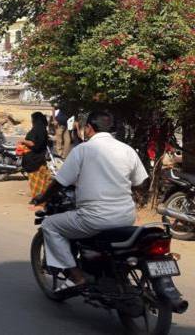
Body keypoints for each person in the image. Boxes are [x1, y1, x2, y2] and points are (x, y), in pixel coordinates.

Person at [32, 111, 148, 292]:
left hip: (95, 218)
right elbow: (140, 182)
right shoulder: (127, 150)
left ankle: (77, 277)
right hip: (126, 217)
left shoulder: (83, 150)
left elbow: (60, 182)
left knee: (50, 225)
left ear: (89, 128)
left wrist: (43, 197)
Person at [19, 111, 51, 198]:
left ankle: (38, 198)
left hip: (34, 159)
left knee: (37, 181)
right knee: (43, 179)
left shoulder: (37, 129)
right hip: (40, 158)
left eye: (32, 119)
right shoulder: (42, 128)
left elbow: (34, 144)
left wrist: (23, 141)